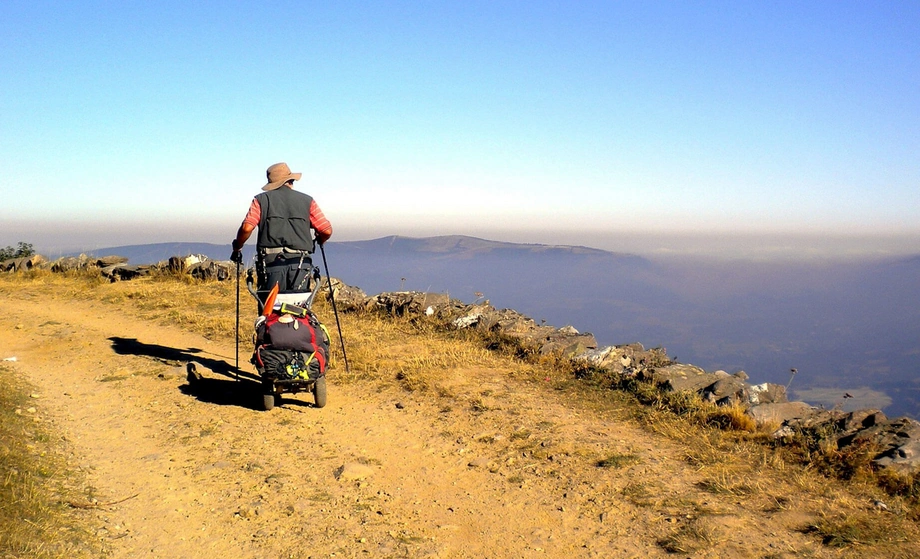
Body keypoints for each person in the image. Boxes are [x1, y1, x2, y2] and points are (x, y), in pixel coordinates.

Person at [231, 162, 333, 294]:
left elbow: (246, 228)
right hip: (301, 265)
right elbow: (326, 230)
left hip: (270, 264)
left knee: (269, 309)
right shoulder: (308, 201)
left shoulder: (261, 200)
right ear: (291, 180)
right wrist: (320, 240)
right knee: (298, 308)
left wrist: (237, 247)